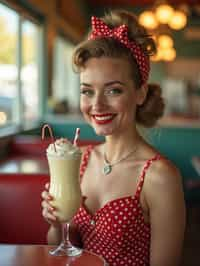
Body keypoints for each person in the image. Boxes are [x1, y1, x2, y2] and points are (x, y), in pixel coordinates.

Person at [41, 9, 186, 266]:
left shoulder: (160, 177)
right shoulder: (80, 160)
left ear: (140, 94)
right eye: (87, 91)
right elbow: (65, 252)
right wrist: (56, 225)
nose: (97, 105)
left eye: (113, 90)